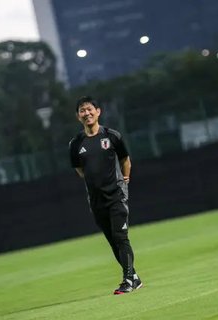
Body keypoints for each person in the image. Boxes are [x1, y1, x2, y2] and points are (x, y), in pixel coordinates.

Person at [69, 96, 142, 294]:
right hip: (96, 199)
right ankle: (134, 276)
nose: (87, 113)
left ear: (98, 111)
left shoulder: (112, 136)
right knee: (112, 240)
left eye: (90, 109)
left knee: (120, 236)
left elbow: (125, 158)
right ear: (78, 117)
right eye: (82, 111)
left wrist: (125, 178)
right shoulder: (75, 144)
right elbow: (79, 169)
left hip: (116, 194)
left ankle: (128, 280)